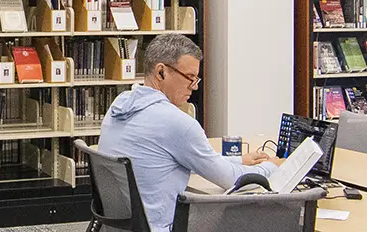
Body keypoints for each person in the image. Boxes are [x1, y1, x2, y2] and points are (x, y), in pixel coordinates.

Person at [99, 34, 276, 232]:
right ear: (161, 72)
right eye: (190, 78)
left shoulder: (121, 104)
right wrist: (272, 167)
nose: (195, 86)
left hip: (120, 227)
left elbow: (170, 159)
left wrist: (238, 160)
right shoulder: (177, 123)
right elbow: (232, 181)